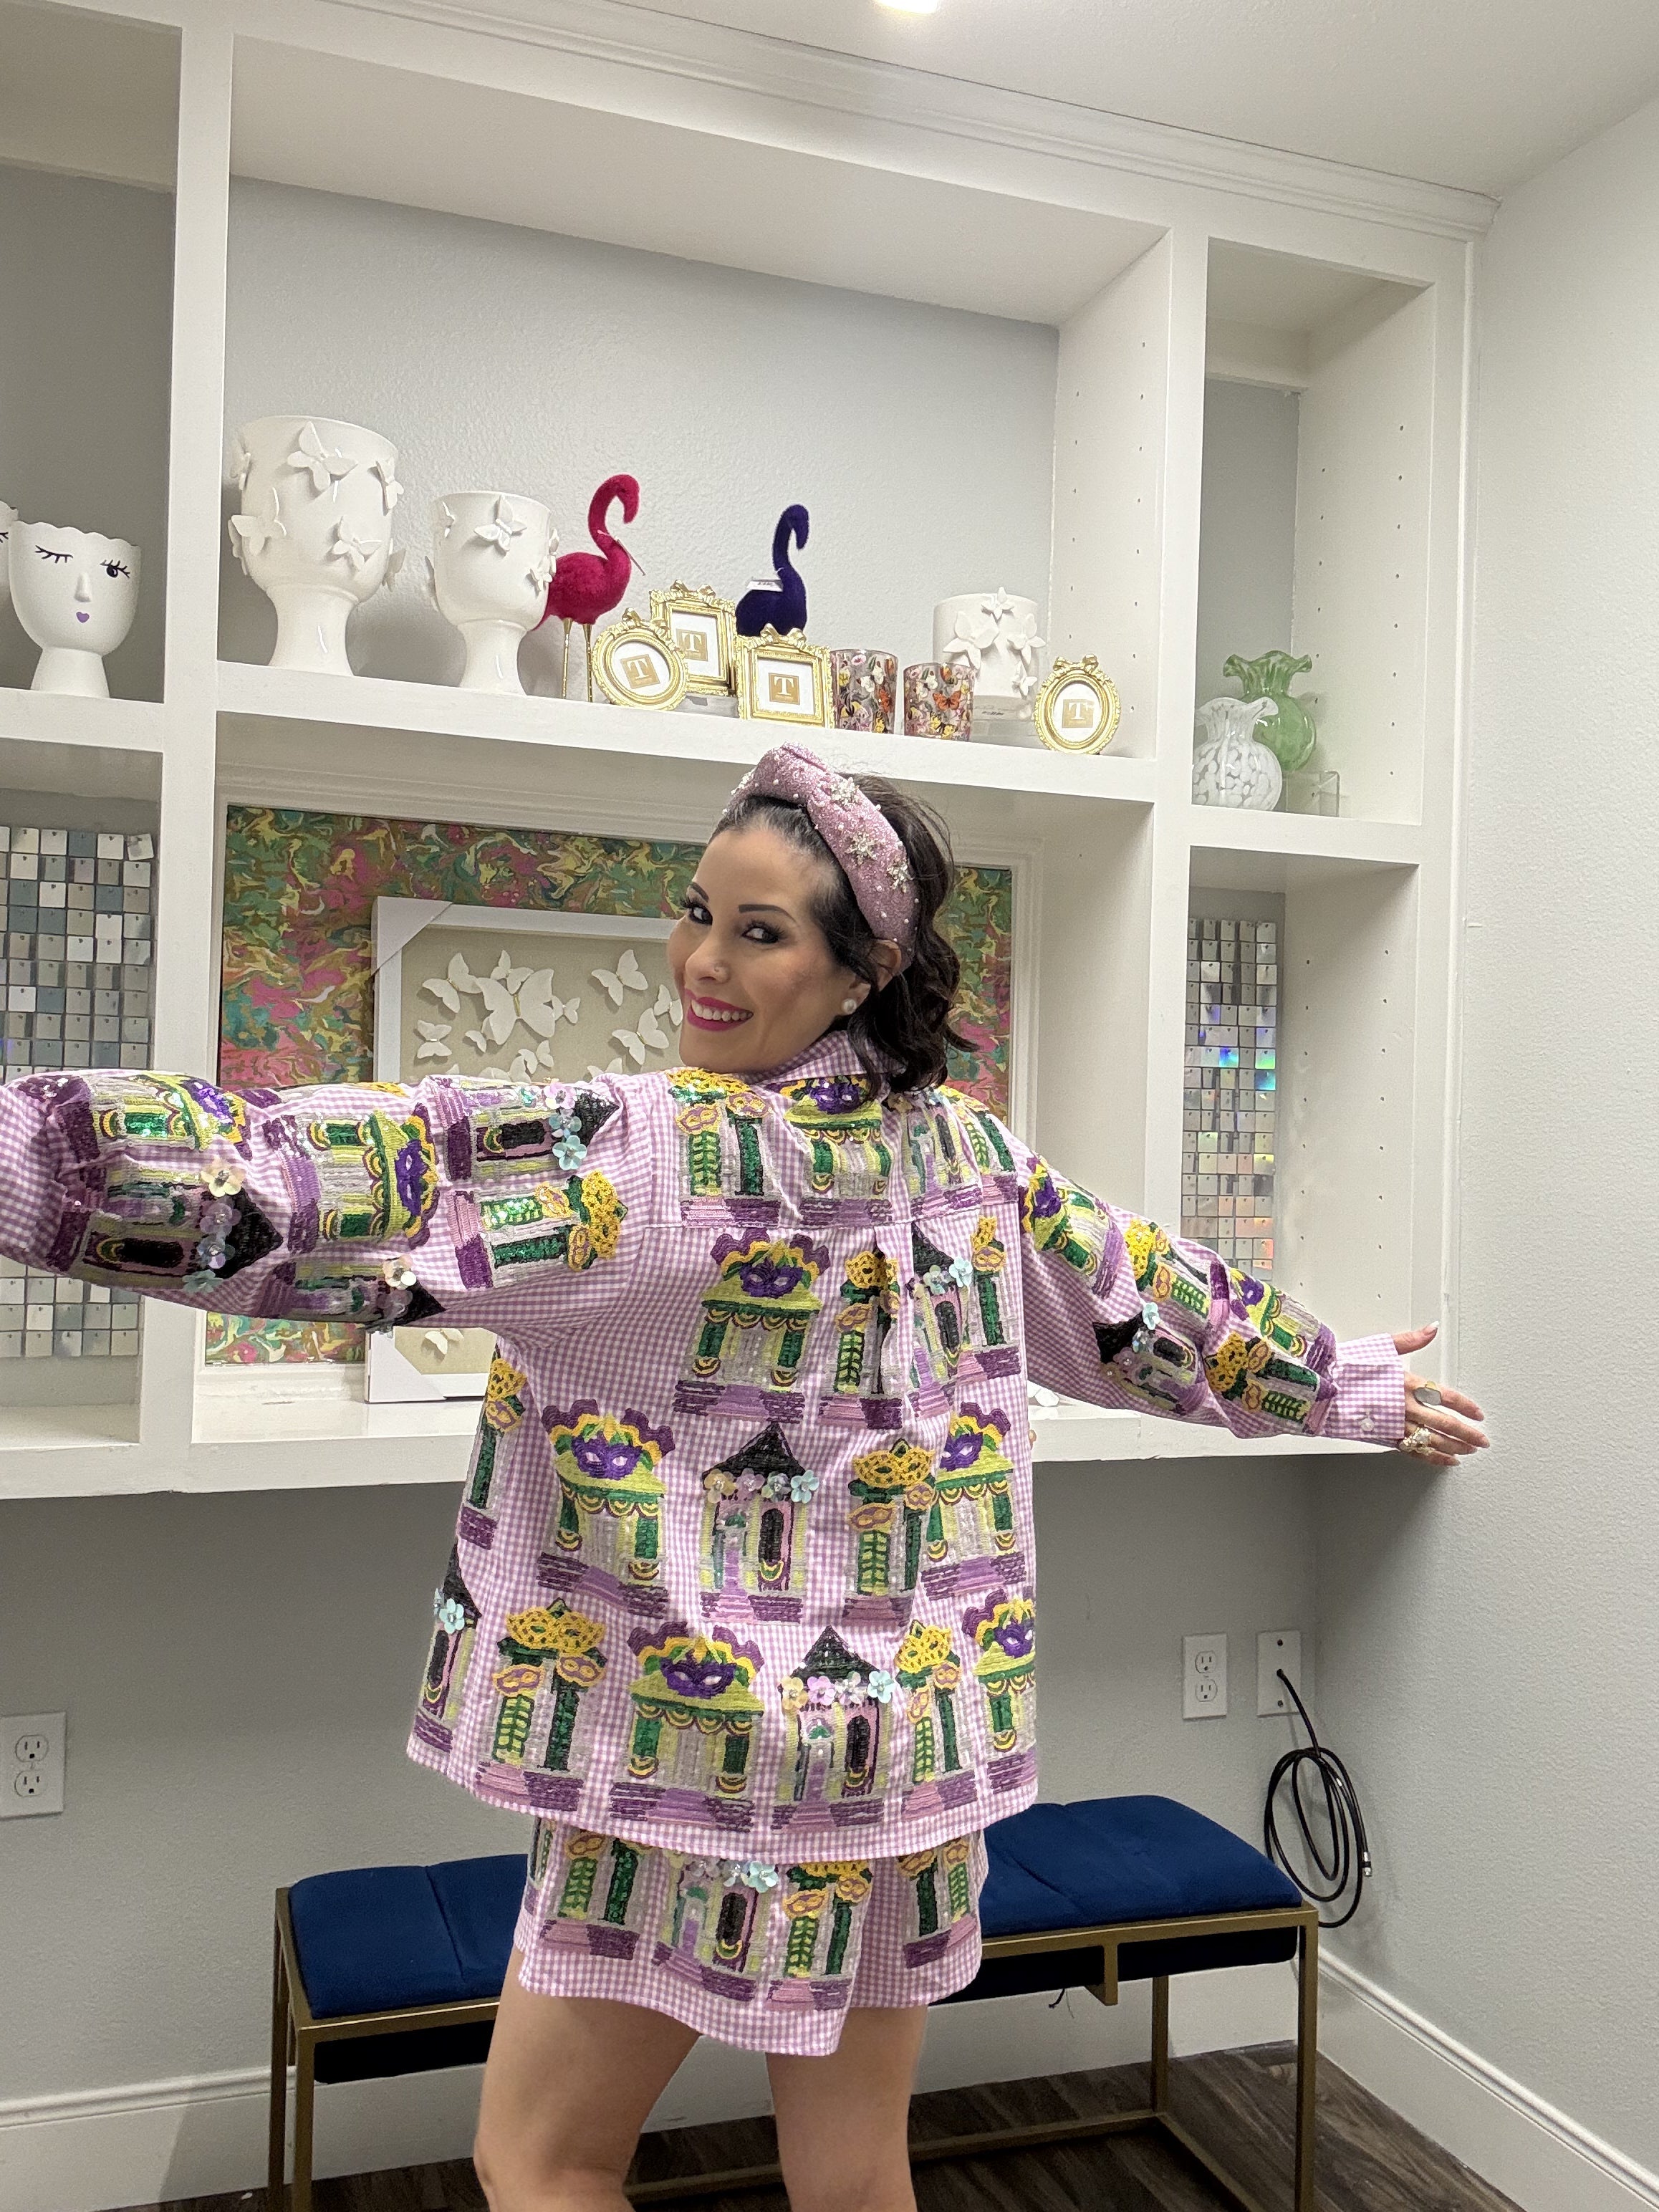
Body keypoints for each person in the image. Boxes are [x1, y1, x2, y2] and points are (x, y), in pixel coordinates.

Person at [0, 742, 1486, 2212]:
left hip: (692, 1762)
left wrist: (31, 1157)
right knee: (852, 2171)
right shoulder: (968, 1154)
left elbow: (329, 1176)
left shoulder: (650, 1154)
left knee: (544, 2160)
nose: (702, 961)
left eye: (759, 931)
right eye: (697, 910)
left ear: (862, 972)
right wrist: (1345, 1382)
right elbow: (1143, 1305)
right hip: (904, 1763)